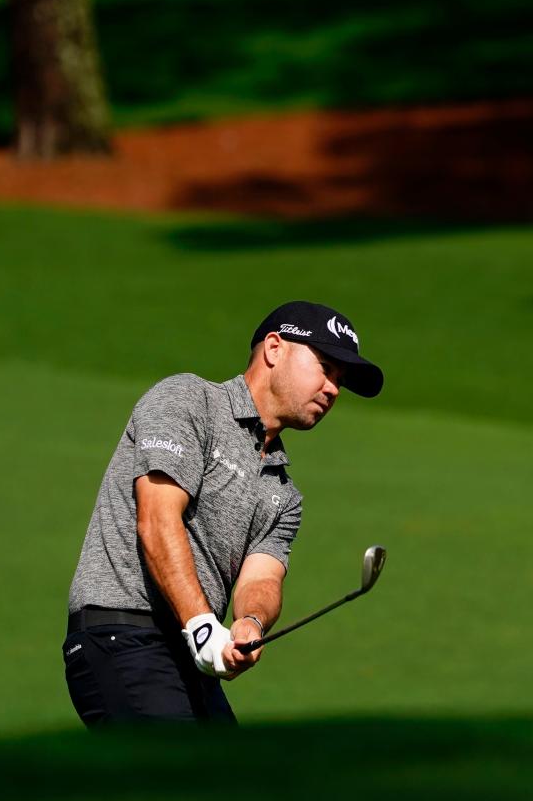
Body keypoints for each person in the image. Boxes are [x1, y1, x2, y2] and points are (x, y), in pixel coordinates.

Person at [63, 301, 384, 726]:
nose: (333, 390)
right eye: (326, 368)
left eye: (340, 381)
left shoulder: (284, 493)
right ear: (274, 348)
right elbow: (157, 520)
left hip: (190, 653)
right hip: (123, 636)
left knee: (235, 785)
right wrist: (201, 626)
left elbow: (263, 577)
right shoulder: (189, 400)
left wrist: (251, 621)